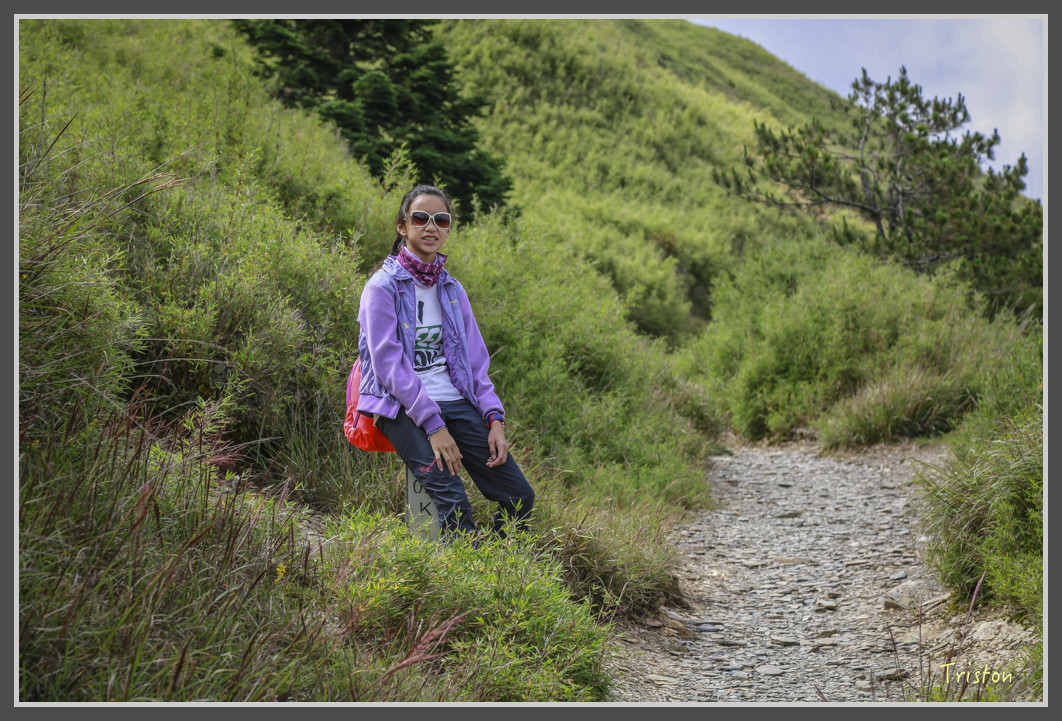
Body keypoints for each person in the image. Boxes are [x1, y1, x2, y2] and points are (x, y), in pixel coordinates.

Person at [356, 184, 535, 541]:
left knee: (518, 497)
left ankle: (503, 574)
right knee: (454, 502)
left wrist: (494, 419)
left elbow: (475, 364)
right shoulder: (382, 287)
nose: (431, 226)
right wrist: (435, 426)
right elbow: (388, 365)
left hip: (454, 400)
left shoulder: (452, 291)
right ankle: (464, 590)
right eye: (420, 218)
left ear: (448, 229)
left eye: (441, 219)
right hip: (401, 407)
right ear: (402, 227)